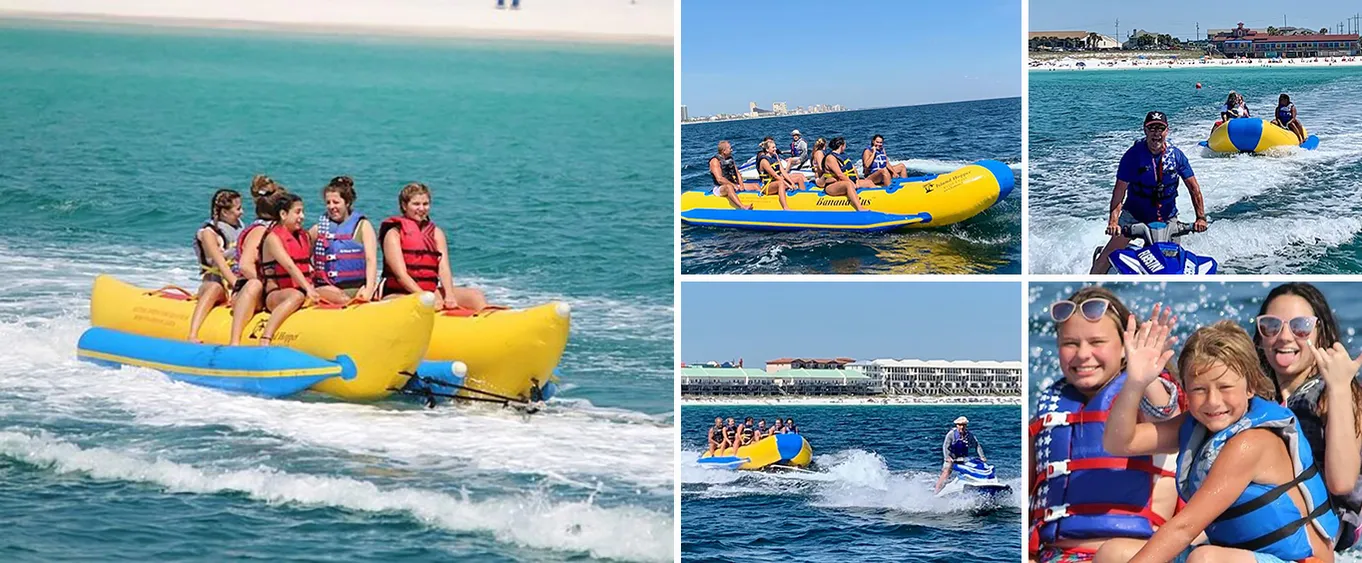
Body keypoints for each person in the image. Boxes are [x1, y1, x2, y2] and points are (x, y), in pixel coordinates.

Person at [1101, 319, 1338, 563]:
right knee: (1113, 553)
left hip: (1301, 561)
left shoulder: (1251, 443)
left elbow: (1185, 528)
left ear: (1250, 387)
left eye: (1225, 387)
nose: (1213, 401)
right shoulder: (1196, 427)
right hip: (1241, 555)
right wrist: (1135, 382)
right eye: (1199, 390)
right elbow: (1119, 443)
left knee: (1205, 559)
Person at [1030, 286, 1183, 563]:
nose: (1082, 354)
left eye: (1097, 342)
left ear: (1126, 348)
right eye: (1070, 343)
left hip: (1132, 555)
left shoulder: (1147, 390)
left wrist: (1142, 378)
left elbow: (1166, 414)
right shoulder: (1050, 408)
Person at [1253, 283, 1362, 552]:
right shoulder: (1257, 395)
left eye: (1300, 326)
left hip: (1323, 531)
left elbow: (1342, 482)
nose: (1284, 337)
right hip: (1270, 520)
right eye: (1270, 325)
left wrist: (1338, 388)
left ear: (1320, 334)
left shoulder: (1336, 394)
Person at [1091, 111, 1209, 275]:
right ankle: (1086, 292)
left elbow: (1194, 189)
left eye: (1160, 128)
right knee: (1106, 257)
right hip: (1134, 217)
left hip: (1168, 220)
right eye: (1151, 128)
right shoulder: (1132, 157)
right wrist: (1113, 222)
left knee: (1174, 268)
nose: (1156, 133)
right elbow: (1119, 192)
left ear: (1166, 131)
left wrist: (1200, 218)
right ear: (1145, 131)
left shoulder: (1176, 156)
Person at [380, 182, 487, 311]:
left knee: (475, 296)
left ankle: (491, 323)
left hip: (429, 291)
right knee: (426, 302)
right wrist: (425, 297)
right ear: (404, 206)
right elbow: (401, 275)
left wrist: (449, 295)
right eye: (416, 204)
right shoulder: (394, 234)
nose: (421, 208)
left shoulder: (436, 233)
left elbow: (443, 268)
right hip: (398, 294)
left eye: (425, 204)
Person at [255, 193, 324, 345]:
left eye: (302, 211)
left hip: (303, 289)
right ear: (283, 214)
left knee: (339, 296)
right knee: (296, 297)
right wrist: (309, 290)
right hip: (276, 295)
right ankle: (266, 336)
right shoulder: (273, 238)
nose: (303, 216)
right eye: (298, 212)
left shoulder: (303, 236)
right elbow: (290, 266)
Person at [228, 176, 281, 346]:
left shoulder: (278, 230)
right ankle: (234, 340)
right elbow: (245, 266)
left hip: (270, 292)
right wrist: (266, 285)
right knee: (254, 284)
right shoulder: (260, 231)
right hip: (248, 294)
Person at [187, 189, 244, 343]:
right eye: (238, 209)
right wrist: (238, 288)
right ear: (225, 212)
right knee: (215, 288)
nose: (242, 212)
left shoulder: (239, 228)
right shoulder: (209, 233)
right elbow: (221, 265)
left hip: (236, 281)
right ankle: (192, 333)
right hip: (214, 281)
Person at [309, 176, 378, 302]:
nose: (331, 206)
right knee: (339, 297)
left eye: (336, 202)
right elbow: (301, 258)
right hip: (327, 290)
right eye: (328, 202)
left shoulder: (363, 226)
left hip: (358, 288)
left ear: (347, 203)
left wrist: (369, 289)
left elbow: (371, 260)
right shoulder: (318, 229)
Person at [934, 416, 987, 493]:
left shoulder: (969, 435)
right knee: (946, 471)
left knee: (974, 467)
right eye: (960, 425)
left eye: (963, 425)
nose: (962, 427)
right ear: (957, 425)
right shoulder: (951, 434)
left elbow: (977, 445)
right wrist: (947, 457)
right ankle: (937, 491)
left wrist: (982, 457)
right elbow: (946, 446)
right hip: (951, 458)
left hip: (962, 458)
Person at [819, 137, 870, 212]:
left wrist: (857, 181)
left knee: (868, 182)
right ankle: (860, 208)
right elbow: (840, 175)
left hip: (842, 181)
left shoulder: (842, 156)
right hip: (832, 185)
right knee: (848, 185)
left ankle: (881, 199)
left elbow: (853, 170)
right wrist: (852, 183)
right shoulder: (830, 158)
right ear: (841, 145)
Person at [754, 139, 804, 210]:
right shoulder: (764, 161)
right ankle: (785, 207)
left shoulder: (774, 157)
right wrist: (788, 185)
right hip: (768, 186)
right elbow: (775, 176)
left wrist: (792, 183)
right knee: (781, 183)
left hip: (777, 182)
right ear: (767, 150)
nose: (775, 149)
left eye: (775, 147)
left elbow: (783, 172)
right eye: (773, 147)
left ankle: (803, 197)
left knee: (798, 178)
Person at [708, 141, 752, 210]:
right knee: (729, 187)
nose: (732, 150)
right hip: (720, 188)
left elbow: (737, 173)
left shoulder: (730, 159)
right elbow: (719, 179)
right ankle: (742, 207)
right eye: (730, 148)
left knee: (755, 185)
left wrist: (741, 185)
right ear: (724, 151)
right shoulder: (715, 161)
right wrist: (733, 185)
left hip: (733, 184)